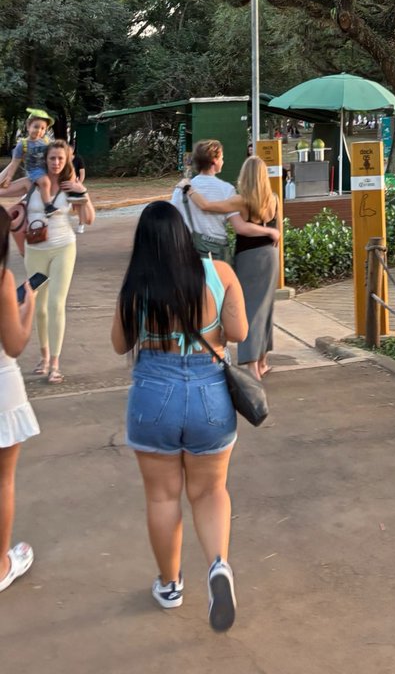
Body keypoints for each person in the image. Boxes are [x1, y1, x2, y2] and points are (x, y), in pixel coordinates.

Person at [111, 201, 249, 631]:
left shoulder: (137, 284)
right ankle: (218, 566)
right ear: (183, 234)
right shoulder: (219, 273)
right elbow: (240, 333)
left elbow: (119, 344)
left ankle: (170, 585)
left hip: (153, 394)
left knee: (162, 497)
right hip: (209, 392)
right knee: (211, 492)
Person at [0, 140, 94, 383]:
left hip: (63, 248)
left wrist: (83, 194)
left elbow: (89, 218)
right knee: (37, 305)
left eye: (60, 159)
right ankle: (43, 358)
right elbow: (2, 187)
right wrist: (13, 163)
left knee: (56, 304)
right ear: (45, 160)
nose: (56, 163)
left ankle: (55, 363)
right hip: (35, 250)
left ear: (67, 161)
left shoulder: (69, 186)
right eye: (52, 158)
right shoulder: (32, 183)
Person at [181, 157, 280, 379]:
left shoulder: (240, 201)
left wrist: (188, 188)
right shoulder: (273, 199)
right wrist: (270, 233)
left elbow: (206, 206)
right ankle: (263, 361)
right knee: (266, 308)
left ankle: (252, 366)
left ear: (245, 176)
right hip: (271, 256)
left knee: (250, 310)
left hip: (249, 258)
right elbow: (278, 231)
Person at [0, 208, 40, 593]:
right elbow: (14, 344)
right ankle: (2, 565)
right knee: (3, 481)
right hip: (2, 389)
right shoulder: (3, 280)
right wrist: (26, 309)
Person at [171, 139, 238, 261]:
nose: (223, 161)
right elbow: (238, 226)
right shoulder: (227, 189)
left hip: (187, 252)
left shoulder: (180, 189)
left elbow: (173, 221)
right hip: (216, 252)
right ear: (214, 160)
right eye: (221, 158)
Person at [0, 109, 59, 217]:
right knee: (45, 182)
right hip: (34, 170)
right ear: (28, 126)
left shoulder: (46, 141)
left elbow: (54, 153)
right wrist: (8, 178)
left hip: (45, 168)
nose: (39, 131)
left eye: (42, 128)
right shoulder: (22, 145)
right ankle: (48, 206)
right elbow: (14, 163)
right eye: (36, 127)